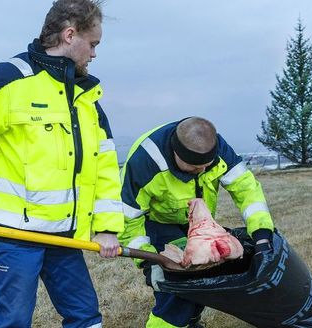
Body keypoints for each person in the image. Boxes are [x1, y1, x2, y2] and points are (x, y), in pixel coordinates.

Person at [0, 0, 124, 327]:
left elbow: (103, 168)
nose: (95, 53)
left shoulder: (85, 98)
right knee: (13, 321)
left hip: (64, 237)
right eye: (93, 43)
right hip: (14, 237)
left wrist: (105, 227)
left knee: (86, 317)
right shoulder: (7, 81)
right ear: (70, 35)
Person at [118, 117, 275, 328]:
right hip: (156, 221)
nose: (200, 171)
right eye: (193, 167)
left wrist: (262, 234)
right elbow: (128, 218)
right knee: (175, 287)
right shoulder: (144, 163)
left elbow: (247, 190)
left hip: (195, 221)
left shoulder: (216, 148)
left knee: (203, 274)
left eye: (205, 166)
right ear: (176, 153)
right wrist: (149, 260)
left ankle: (190, 323)